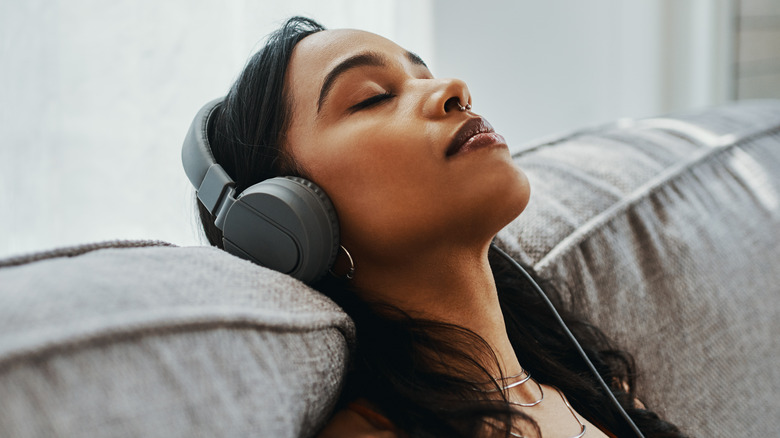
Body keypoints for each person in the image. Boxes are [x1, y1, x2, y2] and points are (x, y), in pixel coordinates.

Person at [194, 16, 686, 438]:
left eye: (423, 74)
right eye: (372, 97)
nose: (453, 89)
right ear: (287, 219)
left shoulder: (590, 384)